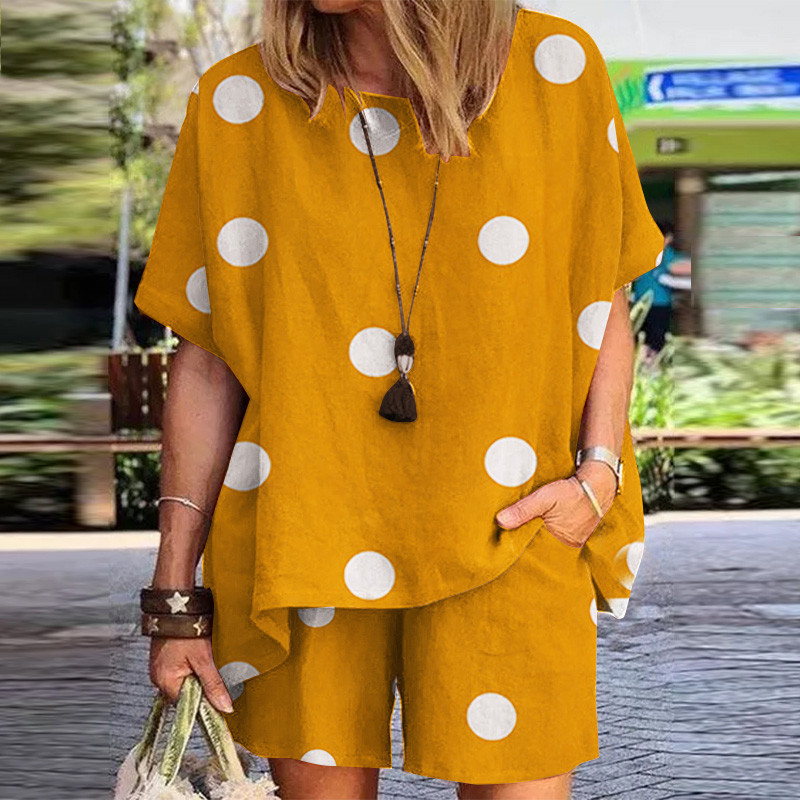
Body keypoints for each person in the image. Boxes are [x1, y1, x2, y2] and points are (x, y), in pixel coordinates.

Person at [133, 2, 666, 798]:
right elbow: (209, 360)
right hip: (302, 537)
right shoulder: (239, 100)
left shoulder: (557, 67)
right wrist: (176, 600)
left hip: (516, 520)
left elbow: (599, 292)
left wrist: (597, 477)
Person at [631, 220, 691, 353]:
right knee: (655, 342)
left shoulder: (641, 251)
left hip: (642, 302)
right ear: (668, 237)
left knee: (641, 339)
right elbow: (676, 268)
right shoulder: (665, 252)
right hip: (658, 303)